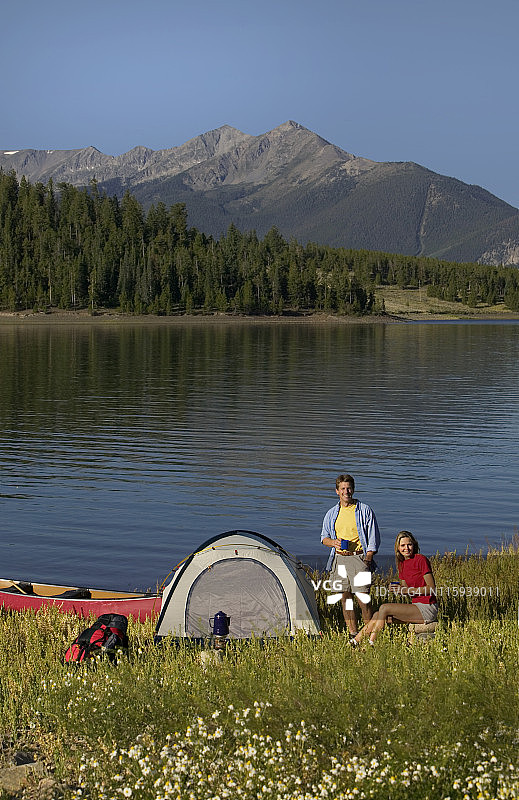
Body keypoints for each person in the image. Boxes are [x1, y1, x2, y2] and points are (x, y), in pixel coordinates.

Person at [352, 530, 438, 646]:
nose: (406, 548)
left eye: (409, 544)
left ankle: (371, 643)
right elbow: (405, 589)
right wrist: (397, 589)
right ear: (398, 548)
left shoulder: (420, 560)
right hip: (415, 606)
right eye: (402, 545)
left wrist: (406, 590)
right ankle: (355, 642)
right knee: (378, 615)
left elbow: (431, 588)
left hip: (427, 607)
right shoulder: (402, 564)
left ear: (414, 545)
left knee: (384, 608)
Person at [321, 474, 380, 638]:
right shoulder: (332, 513)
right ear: (337, 491)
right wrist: (333, 543)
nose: (346, 491)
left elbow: (374, 539)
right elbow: (324, 538)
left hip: (359, 558)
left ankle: (369, 634)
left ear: (353, 490)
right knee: (345, 599)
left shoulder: (364, 510)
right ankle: (353, 633)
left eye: (349, 488)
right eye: (343, 489)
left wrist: (368, 558)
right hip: (339, 559)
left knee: (363, 599)